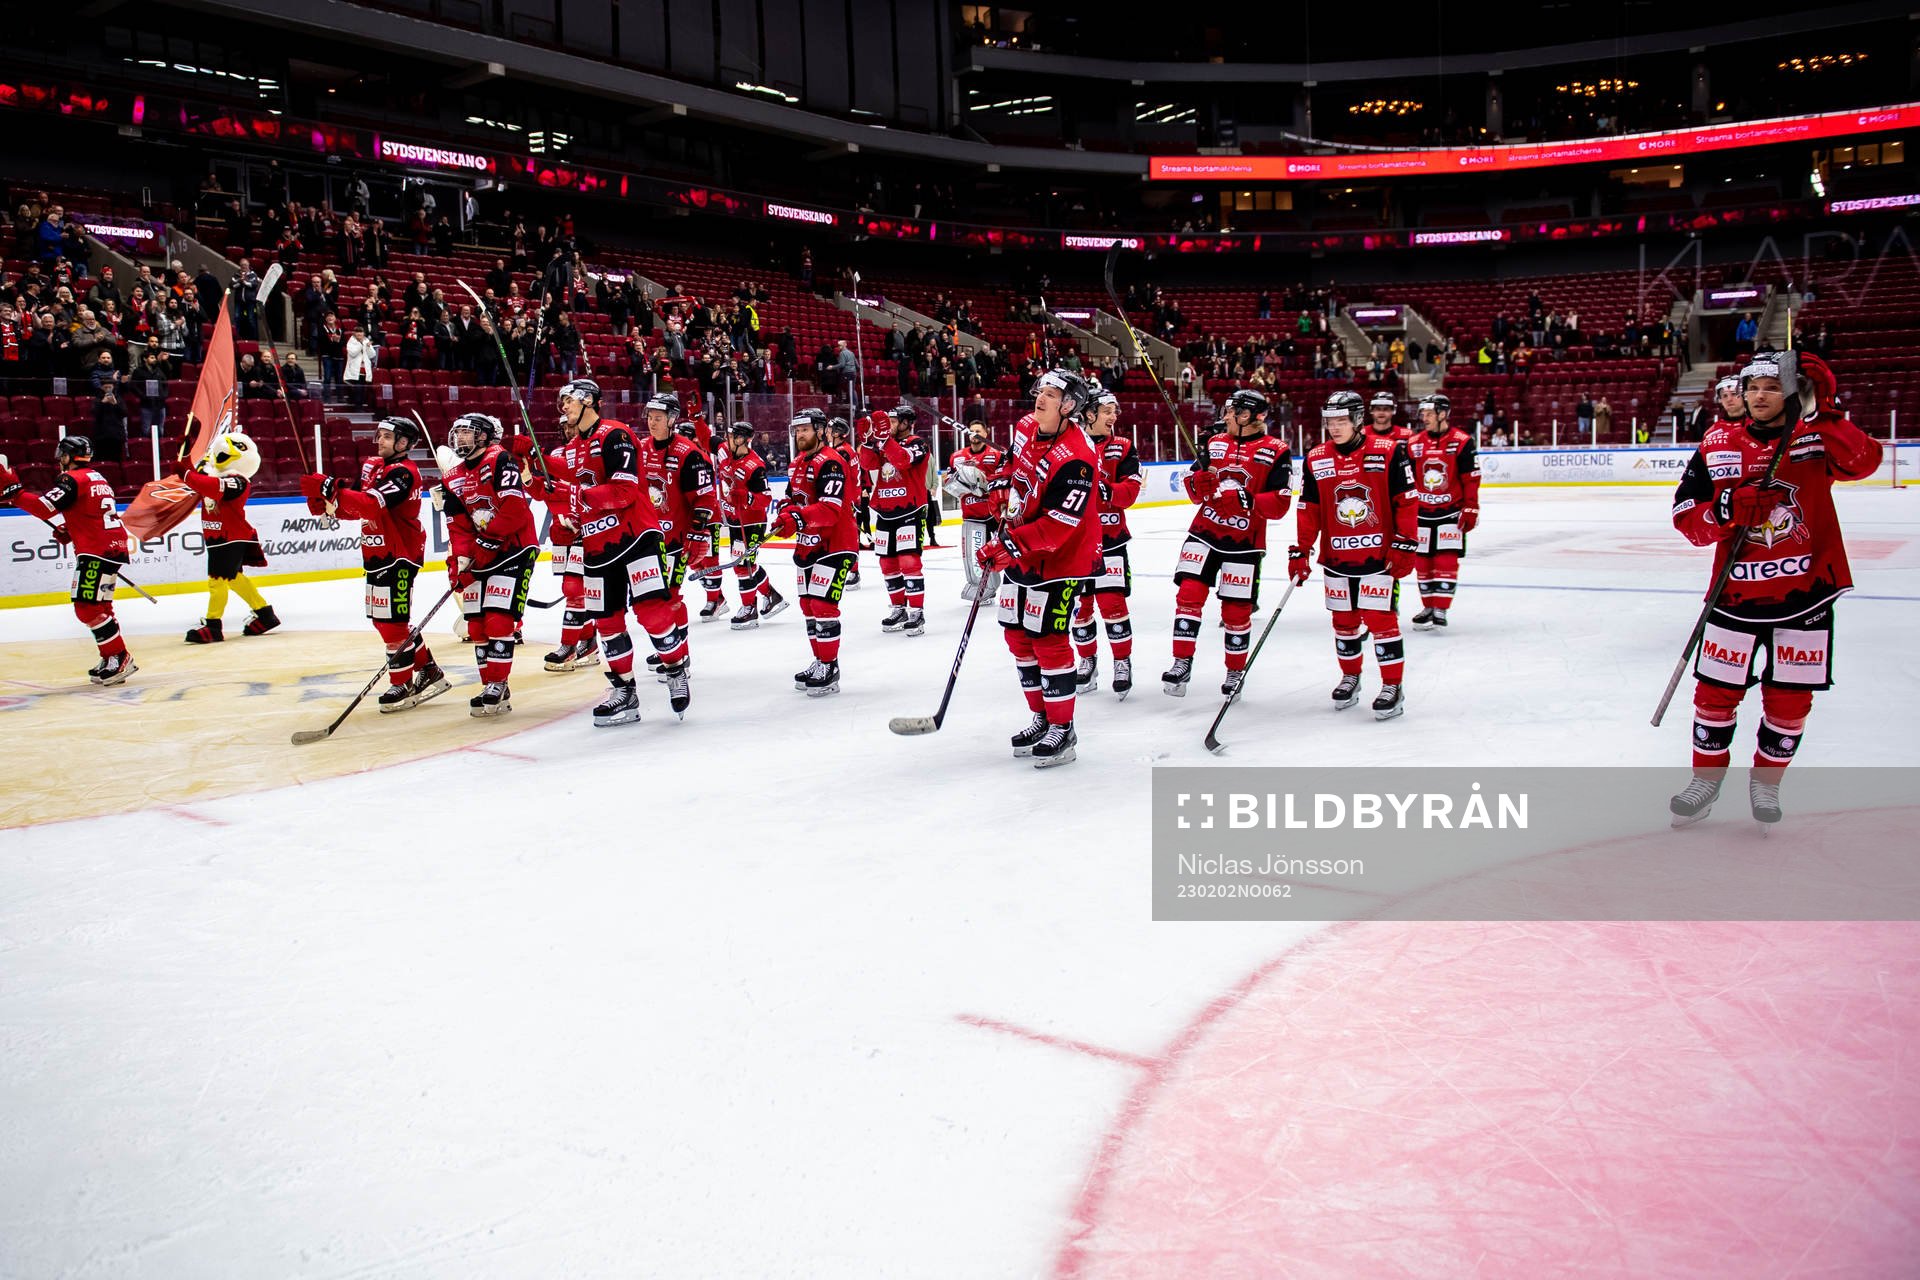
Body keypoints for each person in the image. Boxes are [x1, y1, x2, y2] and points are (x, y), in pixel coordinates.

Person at [1666, 350, 1881, 827]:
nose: (1759, 396)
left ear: (1787, 391)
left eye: (1770, 386)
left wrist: (1827, 411)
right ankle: (1706, 781)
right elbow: (1686, 519)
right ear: (1739, 394)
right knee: (1714, 695)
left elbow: (1865, 462)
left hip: (1806, 594)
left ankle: (1766, 786)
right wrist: (1727, 510)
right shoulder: (1716, 443)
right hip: (1735, 597)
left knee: (1789, 702)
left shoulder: (1814, 437)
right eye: (1752, 387)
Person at [976, 370, 1100, 767]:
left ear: (1069, 406)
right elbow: (1011, 465)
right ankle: (1041, 717)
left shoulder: (1078, 456)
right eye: (1039, 392)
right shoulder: (1027, 427)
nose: (1039, 399)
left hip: (1060, 560)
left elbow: (1061, 525)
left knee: (1048, 639)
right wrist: (999, 486)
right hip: (1023, 552)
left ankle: (1063, 729)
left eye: (1050, 394)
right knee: (1017, 635)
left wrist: (1009, 546)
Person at [300, 416, 449, 710]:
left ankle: (401, 684)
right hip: (376, 554)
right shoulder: (375, 467)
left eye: (386, 436)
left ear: (403, 443)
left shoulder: (404, 474)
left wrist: (332, 489)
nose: (378, 440)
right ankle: (429, 670)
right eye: (378, 435)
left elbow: (370, 504)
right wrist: (331, 506)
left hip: (399, 555)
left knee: (393, 625)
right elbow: (358, 507)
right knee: (384, 623)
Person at [1290, 389, 1418, 719]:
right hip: (1337, 558)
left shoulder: (1390, 451)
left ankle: (1392, 684)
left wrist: (1405, 542)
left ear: (1358, 420)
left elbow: (1406, 500)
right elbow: (1309, 508)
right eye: (1330, 421)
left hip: (1379, 557)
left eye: (1342, 421)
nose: (1334, 427)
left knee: (1380, 621)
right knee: (1343, 622)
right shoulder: (1316, 457)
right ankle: (1350, 677)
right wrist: (1301, 550)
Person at [1163, 388, 1292, 698]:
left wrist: (1246, 499)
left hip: (1244, 542)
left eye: (1233, 410)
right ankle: (1181, 662)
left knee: (1236, 612)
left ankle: (1235, 669)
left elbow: (1280, 503)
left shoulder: (1277, 449)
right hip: (1204, 532)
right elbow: (1195, 491)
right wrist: (1198, 482)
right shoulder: (1215, 442)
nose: (1226, 415)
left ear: (1247, 415)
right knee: (1189, 594)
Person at [0, 436, 137, 684]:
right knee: (100, 606)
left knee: (87, 607)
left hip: (96, 550)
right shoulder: (98, 477)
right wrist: (70, 528)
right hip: (110, 546)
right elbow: (90, 511)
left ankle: (119, 657)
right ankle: (111, 657)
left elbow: (44, 507)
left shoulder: (71, 478)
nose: (58, 459)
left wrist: (15, 493)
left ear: (68, 456)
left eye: (61, 454)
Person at [436, 412, 538, 717]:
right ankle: (491, 687)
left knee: (498, 621)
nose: (461, 438)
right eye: (458, 433)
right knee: (477, 626)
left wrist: (488, 540)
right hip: (482, 553)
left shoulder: (500, 460)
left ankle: (497, 682)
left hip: (513, 550)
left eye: (468, 432)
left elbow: (515, 510)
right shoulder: (452, 476)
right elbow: (457, 524)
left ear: (483, 436)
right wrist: (461, 560)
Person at [770, 409, 860, 696]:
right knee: (808, 605)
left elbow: (831, 509)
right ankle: (820, 659)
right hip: (809, 543)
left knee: (823, 606)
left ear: (821, 431)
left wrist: (797, 517)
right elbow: (789, 499)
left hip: (836, 543)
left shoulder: (831, 462)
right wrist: (785, 516)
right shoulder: (796, 463)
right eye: (797, 430)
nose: (800, 435)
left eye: (805, 430)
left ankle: (830, 666)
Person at [636, 392, 716, 704]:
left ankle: (679, 656)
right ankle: (669, 648)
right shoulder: (640, 449)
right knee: (653, 602)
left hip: (675, 543)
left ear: (672, 419)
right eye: (649, 416)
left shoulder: (689, 452)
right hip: (645, 541)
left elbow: (705, 499)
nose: (652, 421)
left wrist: (697, 534)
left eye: (658, 416)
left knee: (669, 598)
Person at [1072, 389, 1143, 698]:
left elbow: (1129, 492)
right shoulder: (1070, 444)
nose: (1114, 417)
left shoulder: (1123, 448)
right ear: (1089, 414)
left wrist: (1106, 490)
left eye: (1115, 411)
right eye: (1108, 411)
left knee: (1113, 604)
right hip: (1075, 543)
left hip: (1111, 540)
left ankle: (1122, 661)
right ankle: (1086, 661)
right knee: (1080, 608)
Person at [525, 393, 601, 673]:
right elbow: (539, 492)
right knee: (573, 591)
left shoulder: (591, 450)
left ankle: (568, 645)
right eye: (566, 428)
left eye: (572, 427)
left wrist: (553, 488)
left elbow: (575, 487)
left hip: (585, 529)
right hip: (561, 531)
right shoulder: (558, 455)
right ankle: (588, 641)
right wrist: (526, 470)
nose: (569, 431)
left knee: (574, 589)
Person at [180, 431, 278, 643]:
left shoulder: (238, 481)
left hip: (229, 537)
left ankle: (213, 625)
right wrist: (187, 459)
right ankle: (265, 615)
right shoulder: (217, 475)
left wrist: (187, 474)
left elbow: (210, 487)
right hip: (221, 536)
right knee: (233, 578)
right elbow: (200, 479)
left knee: (217, 581)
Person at [1404, 394, 1481, 630]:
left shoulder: (1462, 441)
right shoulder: (1413, 442)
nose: (1424, 418)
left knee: (1446, 560)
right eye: (1423, 413)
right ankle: (1428, 606)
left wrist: (1471, 507)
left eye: (1428, 414)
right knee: (1422, 561)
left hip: (1450, 511)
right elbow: (1407, 480)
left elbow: (1471, 478)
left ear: (1443, 414)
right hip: (1421, 512)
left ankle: (1441, 607)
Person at [860, 404, 932, 636]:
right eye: (885, 422)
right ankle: (898, 608)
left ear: (905, 423)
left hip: (910, 510)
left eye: (892, 422)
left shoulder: (918, 443)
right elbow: (867, 464)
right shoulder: (883, 444)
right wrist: (867, 442)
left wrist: (883, 440)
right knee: (887, 564)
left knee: (909, 562)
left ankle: (916, 612)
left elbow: (901, 461)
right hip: (884, 511)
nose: (886, 426)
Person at [714, 421, 788, 628]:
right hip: (736, 521)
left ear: (742, 440)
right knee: (747, 564)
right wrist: (696, 419)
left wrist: (746, 497)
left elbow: (765, 499)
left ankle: (750, 609)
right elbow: (708, 440)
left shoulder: (755, 466)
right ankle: (772, 596)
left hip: (751, 523)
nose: (726, 440)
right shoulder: (725, 451)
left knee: (742, 565)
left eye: (731, 437)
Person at [943, 417, 1006, 602]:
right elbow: (949, 481)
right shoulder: (957, 456)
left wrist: (986, 484)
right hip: (972, 516)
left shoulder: (997, 454)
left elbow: (1005, 479)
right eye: (972, 431)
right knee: (975, 558)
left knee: (1006, 552)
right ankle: (986, 589)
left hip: (995, 515)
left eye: (979, 431)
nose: (975, 435)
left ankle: (1014, 588)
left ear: (986, 434)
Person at [824, 416, 868, 589]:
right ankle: (846, 569)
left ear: (837, 433)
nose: (826, 432)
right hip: (848, 499)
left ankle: (853, 572)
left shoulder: (841, 452)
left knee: (847, 538)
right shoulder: (845, 449)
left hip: (845, 501)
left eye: (829, 429)